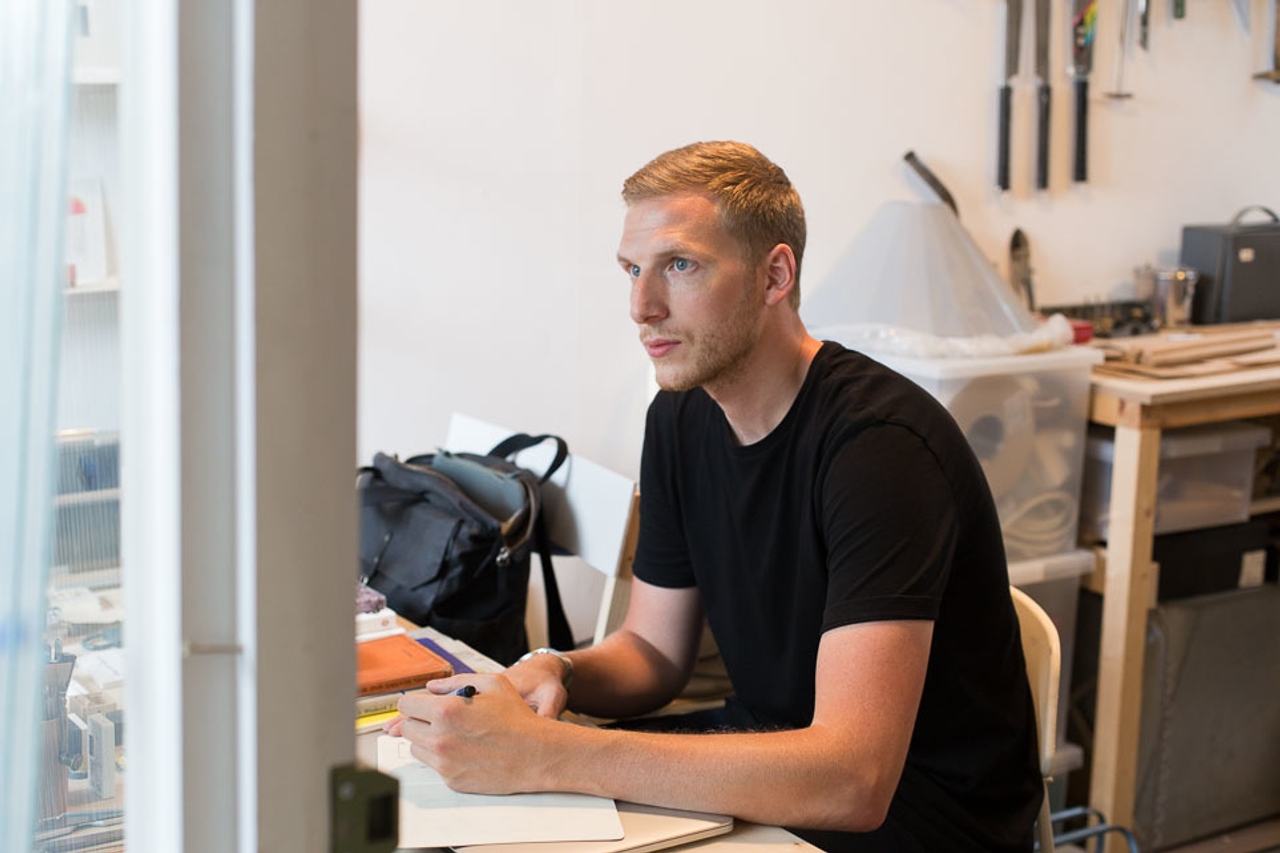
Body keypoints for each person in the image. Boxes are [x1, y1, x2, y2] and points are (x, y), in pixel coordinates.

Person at [389, 140, 1043, 852]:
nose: (643, 305)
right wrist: (558, 669)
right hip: (770, 758)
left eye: (680, 265)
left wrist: (551, 754)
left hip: (919, 816)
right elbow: (652, 651)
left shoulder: (880, 448)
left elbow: (854, 777)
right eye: (633, 269)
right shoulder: (679, 415)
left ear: (775, 275)